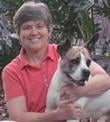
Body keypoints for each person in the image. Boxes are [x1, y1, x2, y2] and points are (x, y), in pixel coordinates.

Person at [1, 1, 110, 122]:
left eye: (39, 26)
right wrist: (58, 114)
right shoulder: (12, 71)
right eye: (26, 27)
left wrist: (78, 91)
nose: (34, 32)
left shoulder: (68, 54)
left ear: (49, 31)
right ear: (18, 35)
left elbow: (105, 80)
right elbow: (18, 117)